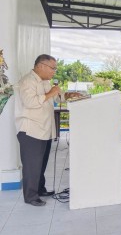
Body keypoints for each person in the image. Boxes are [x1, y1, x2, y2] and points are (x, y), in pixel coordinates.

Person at [15, 54, 81, 206]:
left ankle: (40, 188)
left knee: (41, 162)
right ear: (41, 66)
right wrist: (51, 93)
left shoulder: (45, 81)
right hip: (30, 130)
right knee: (32, 165)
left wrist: (68, 95)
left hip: (44, 129)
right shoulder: (28, 81)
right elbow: (30, 102)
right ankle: (31, 196)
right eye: (53, 68)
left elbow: (57, 98)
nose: (54, 71)